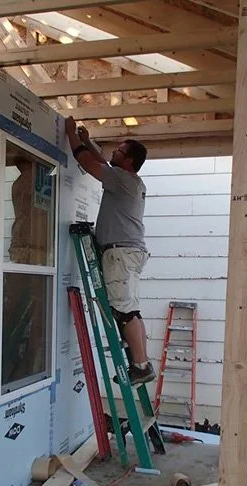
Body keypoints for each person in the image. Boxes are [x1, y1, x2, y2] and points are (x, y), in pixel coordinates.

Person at [65, 116, 155, 385]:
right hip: (129, 254)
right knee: (131, 311)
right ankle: (141, 363)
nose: (113, 152)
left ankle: (140, 366)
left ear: (128, 161)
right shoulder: (129, 180)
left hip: (121, 255)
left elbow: (89, 164)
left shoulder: (122, 179)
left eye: (119, 150)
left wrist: (71, 135)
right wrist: (87, 140)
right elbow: (103, 163)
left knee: (125, 312)